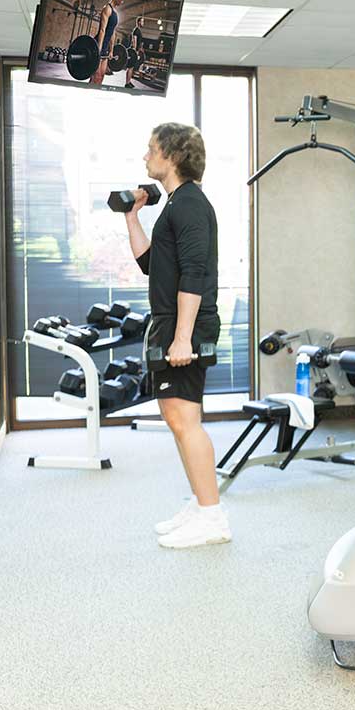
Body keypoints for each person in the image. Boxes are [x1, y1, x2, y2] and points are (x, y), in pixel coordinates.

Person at [123, 123, 231, 549]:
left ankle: (213, 516)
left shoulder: (189, 205)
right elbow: (153, 264)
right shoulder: (175, 204)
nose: (145, 157)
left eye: (151, 150)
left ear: (171, 155)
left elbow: (194, 273)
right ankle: (201, 503)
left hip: (187, 322)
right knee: (176, 418)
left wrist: (183, 337)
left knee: (186, 421)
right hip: (172, 321)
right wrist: (132, 217)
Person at [90, 0, 126, 86]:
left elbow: (112, 32)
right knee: (95, 76)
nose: (122, 2)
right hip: (99, 45)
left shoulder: (115, 12)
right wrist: (99, 49)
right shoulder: (107, 9)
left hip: (105, 48)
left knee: (101, 76)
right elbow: (102, 30)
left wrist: (111, 50)